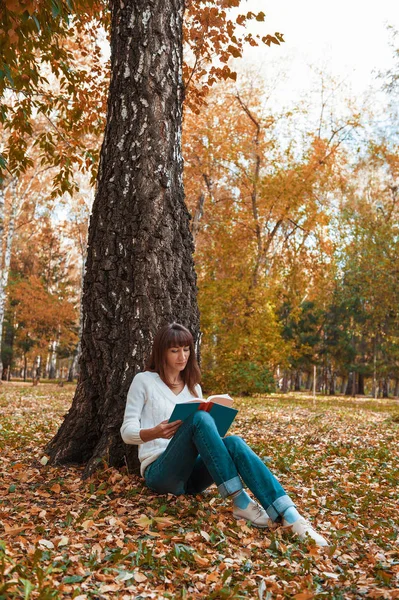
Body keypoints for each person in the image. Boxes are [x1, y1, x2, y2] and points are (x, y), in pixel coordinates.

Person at [121, 322, 328, 546]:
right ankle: (239, 500)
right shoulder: (144, 381)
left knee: (234, 443)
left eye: (187, 349)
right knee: (198, 419)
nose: (182, 356)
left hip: (192, 480)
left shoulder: (193, 388)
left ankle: (291, 516)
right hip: (161, 473)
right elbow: (126, 431)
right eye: (174, 351)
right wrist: (155, 432)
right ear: (161, 352)